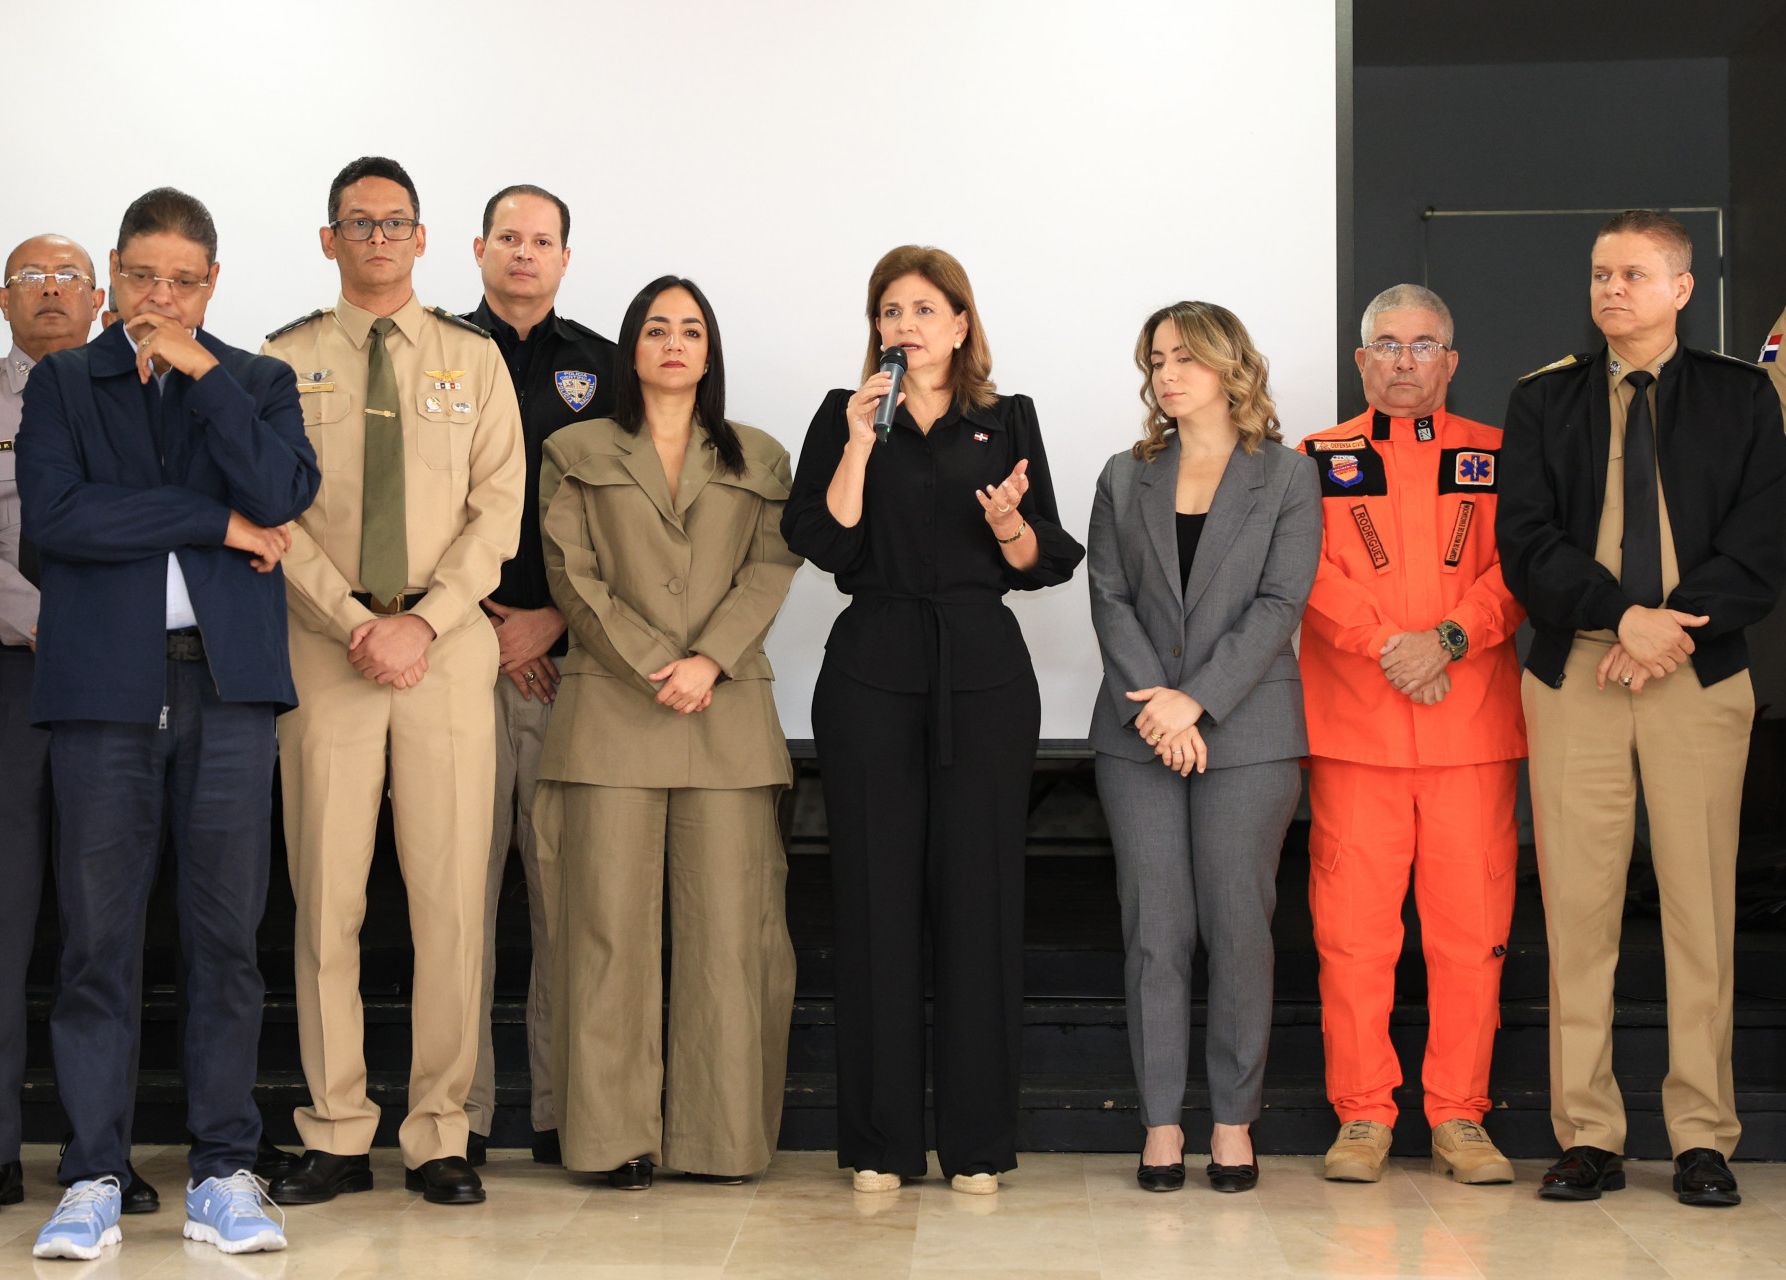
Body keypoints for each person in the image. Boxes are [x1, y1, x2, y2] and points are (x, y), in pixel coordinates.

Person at [15, 187, 319, 1258]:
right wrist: (210, 521)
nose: (160, 297)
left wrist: (205, 380)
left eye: (183, 281)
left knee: (226, 940)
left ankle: (224, 1170)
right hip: (105, 691)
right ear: (114, 271)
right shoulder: (64, 380)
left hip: (228, 690)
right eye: (143, 275)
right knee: (97, 942)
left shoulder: (257, 381)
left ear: (212, 284)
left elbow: (281, 492)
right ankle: (92, 1174)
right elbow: (60, 518)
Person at [1497, 210, 1786, 1208]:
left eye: (1631, 274)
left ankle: (1702, 1137)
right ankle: (1589, 1134)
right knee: (1578, 913)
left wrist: (1668, 630)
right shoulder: (1544, 399)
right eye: (1599, 274)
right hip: (1578, 673)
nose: (1611, 289)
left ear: (1682, 288)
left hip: (1694, 675)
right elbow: (1527, 541)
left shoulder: (1743, 397)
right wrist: (1621, 617)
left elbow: (1761, 543)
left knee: (1702, 913)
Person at [782, 245, 1084, 1195]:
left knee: (979, 902)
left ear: (960, 323)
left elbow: (1044, 558)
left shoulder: (1008, 418)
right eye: (890, 310)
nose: (904, 325)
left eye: (923, 309)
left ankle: (978, 1144)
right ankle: (880, 1143)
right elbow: (825, 540)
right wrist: (858, 441)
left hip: (983, 673)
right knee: (874, 901)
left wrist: (1006, 526)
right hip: (870, 668)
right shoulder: (845, 414)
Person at [261, 156, 524, 1208]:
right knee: (326, 897)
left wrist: (422, 620)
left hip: (445, 647)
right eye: (359, 222)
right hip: (326, 647)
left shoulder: (475, 358)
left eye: (396, 221)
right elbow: (271, 511)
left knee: (450, 900)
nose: (378, 238)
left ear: (422, 238)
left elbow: (498, 509)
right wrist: (354, 620)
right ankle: (334, 1130)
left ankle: (439, 1131)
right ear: (329, 240)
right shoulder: (280, 362)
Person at [0, 235, 166, 1221]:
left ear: (100, 298)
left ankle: (102, 1152)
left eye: (68, 279)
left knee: (109, 922)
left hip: (116, 681)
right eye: (30, 280)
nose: (49, 292)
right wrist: (59, 623)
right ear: (2, 299)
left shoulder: (147, 397)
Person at [533, 275, 800, 1190]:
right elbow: (571, 575)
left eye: (691, 329)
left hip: (727, 721)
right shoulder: (575, 448)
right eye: (656, 329)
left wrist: (709, 660)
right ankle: (612, 1141)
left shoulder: (761, 455)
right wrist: (660, 664)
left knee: (731, 940)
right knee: (605, 935)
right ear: (630, 348)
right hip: (611, 716)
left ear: (711, 350)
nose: (674, 343)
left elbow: (770, 569)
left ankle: (720, 1143)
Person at [1297, 285, 1528, 1186]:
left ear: (1451, 360)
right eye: (1386, 344)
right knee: (1354, 938)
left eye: (1423, 344)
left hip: (1470, 733)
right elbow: (1306, 572)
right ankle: (1362, 1115)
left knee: (1470, 936)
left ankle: (1460, 1116)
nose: (1404, 360)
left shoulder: (1500, 455)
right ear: (1361, 361)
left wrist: (1450, 639)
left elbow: (1523, 565)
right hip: (1357, 734)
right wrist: (1390, 648)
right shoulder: (1315, 460)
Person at [1087, 301, 1319, 1195]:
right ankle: (1159, 1123)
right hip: (1139, 732)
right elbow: (1110, 597)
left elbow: (1279, 604)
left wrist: (1198, 701)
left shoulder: (1287, 476)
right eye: (1156, 360)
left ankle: (1231, 1122)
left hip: (1247, 734)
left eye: (1185, 357)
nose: (1167, 374)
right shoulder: (1125, 475)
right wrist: (1162, 709)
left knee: (1238, 930)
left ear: (1230, 366)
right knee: (1155, 931)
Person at [460, 183, 616, 1167]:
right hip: (454, 658)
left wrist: (553, 619)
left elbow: (625, 520)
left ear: (565, 257)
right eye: (508, 237)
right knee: (459, 905)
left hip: (568, 667)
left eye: (542, 239)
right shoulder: (437, 354)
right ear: (478, 249)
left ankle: (564, 1114)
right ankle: (461, 1117)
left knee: (567, 906)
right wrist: (481, 624)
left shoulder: (605, 366)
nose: (524, 252)